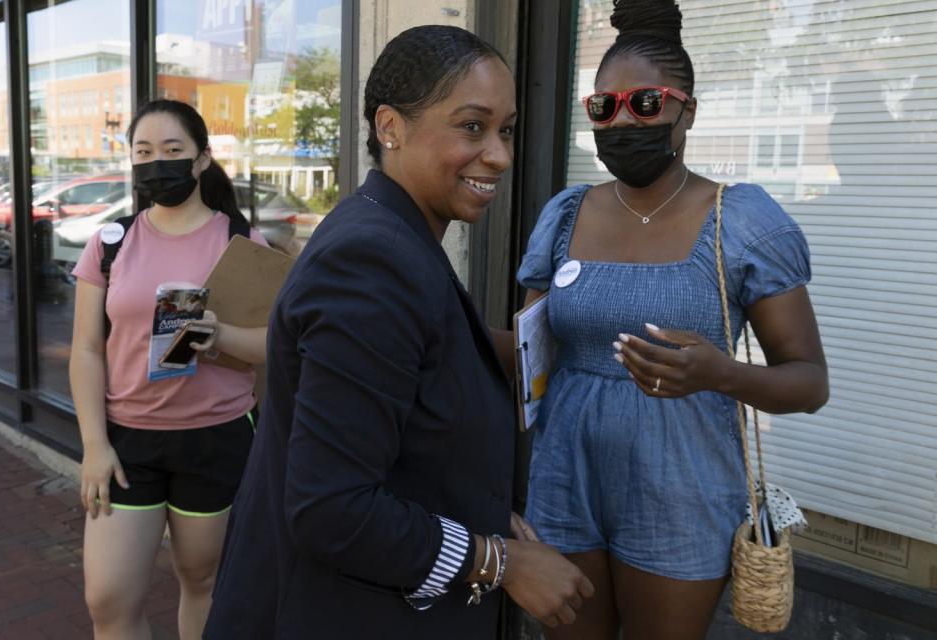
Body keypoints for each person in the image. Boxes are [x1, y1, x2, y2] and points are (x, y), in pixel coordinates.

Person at [203, 25, 594, 639]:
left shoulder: (396, 234)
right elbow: (332, 510)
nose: (500, 154)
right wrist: (500, 561)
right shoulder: (372, 261)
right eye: (472, 126)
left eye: (506, 129)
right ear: (391, 127)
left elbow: (422, 381)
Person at [515, 2, 829, 639]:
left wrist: (718, 373)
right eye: (604, 108)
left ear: (687, 109)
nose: (623, 120)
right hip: (563, 479)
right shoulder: (565, 214)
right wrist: (433, 322)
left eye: (646, 103)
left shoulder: (741, 221)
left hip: (682, 490)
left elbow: (809, 382)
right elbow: (529, 352)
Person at [69, 99, 269, 640]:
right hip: (127, 442)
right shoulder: (110, 245)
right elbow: (86, 350)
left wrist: (220, 336)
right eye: (144, 152)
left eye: (173, 150)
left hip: (217, 439)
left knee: (202, 582)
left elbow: (276, 345)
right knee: (108, 598)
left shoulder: (242, 243)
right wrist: (93, 444)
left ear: (202, 159)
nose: (158, 162)